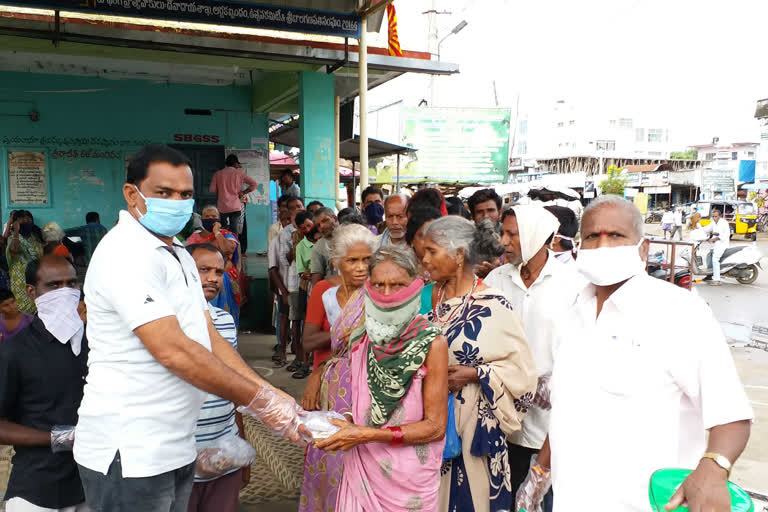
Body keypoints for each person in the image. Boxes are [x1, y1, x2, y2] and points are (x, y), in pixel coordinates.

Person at [75, 145, 305, 511]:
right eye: (163, 193)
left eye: (184, 195)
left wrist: (269, 393)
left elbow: (208, 336)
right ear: (132, 194)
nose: (177, 203)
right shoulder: (124, 253)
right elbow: (173, 349)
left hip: (177, 447)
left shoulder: (180, 253)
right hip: (130, 453)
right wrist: (258, 401)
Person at [518, 195, 753, 512]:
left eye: (616, 236)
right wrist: (540, 473)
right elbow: (568, 408)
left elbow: (731, 414)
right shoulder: (572, 316)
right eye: (592, 236)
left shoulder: (679, 313)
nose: (603, 246)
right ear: (579, 249)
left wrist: (714, 467)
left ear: (642, 249)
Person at [316, 245, 449, 511]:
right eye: (379, 285)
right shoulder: (360, 339)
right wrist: (343, 424)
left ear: (415, 286)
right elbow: (364, 408)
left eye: (397, 285)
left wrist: (366, 434)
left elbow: (435, 427)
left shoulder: (432, 343)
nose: (387, 295)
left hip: (409, 481)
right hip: (363, 468)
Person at [420, 216, 537, 512]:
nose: (424, 259)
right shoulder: (430, 297)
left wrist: (475, 374)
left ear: (458, 255)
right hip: (429, 428)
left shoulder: (494, 305)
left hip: (475, 434)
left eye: (432, 251)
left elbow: (523, 376)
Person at [484, 206, 586, 511]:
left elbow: (585, 344)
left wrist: (558, 379)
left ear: (538, 237)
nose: (504, 241)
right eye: (503, 233)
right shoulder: (496, 279)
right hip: (504, 413)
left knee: (543, 499)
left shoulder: (574, 284)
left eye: (512, 234)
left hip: (550, 418)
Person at [0, 255, 88, 512]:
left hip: (89, 485)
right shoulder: (15, 352)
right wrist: (63, 437)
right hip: (37, 489)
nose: (65, 293)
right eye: (53, 285)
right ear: (31, 291)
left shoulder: (95, 344)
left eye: (72, 284)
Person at [298, 224, 376, 512]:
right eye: (352, 260)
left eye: (366, 260)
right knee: (330, 455)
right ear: (336, 262)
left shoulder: (382, 294)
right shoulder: (325, 293)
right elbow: (308, 342)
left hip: (369, 387)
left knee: (365, 454)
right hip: (331, 388)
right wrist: (346, 334)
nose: (361, 267)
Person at [187, 244, 249, 512]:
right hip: (179, 457)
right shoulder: (161, 324)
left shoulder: (224, 320)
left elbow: (232, 385)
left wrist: (241, 443)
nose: (213, 277)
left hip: (223, 451)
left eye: (219, 271)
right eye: (203, 270)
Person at [272, 196, 305, 366]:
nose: (298, 209)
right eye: (294, 207)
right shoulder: (286, 233)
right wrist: (298, 239)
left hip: (307, 281)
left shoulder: (309, 227)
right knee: (290, 317)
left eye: (300, 206)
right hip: (291, 281)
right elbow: (286, 260)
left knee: (303, 319)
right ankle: (284, 351)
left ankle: (301, 355)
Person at [287, 210, 314, 379]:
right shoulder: (301, 246)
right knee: (307, 325)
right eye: (303, 228)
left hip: (326, 288)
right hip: (307, 288)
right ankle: (305, 363)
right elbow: (301, 272)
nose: (307, 229)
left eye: (309, 225)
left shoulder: (326, 241)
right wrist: (308, 273)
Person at [209, 154, 258, 233]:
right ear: (235, 163)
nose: (238, 166)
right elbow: (254, 184)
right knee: (234, 229)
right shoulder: (240, 174)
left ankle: (224, 244)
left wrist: (222, 189)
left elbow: (212, 190)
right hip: (235, 206)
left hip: (222, 207)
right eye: (238, 164)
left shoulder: (218, 174)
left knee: (223, 229)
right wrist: (243, 192)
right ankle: (235, 244)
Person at [6, 211, 43, 314]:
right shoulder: (13, 238)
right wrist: (16, 231)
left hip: (36, 277)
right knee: (23, 309)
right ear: (16, 223)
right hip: (20, 280)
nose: (26, 222)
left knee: (38, 308)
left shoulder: (35, 238)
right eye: (23, 220)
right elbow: (14, 250)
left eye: (28, 219)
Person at [405, 207, 442, 301]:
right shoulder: (401, 266)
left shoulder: (449, 266)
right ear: (412, 239)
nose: (429, 241)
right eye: (422, 236)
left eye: (434, 235)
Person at [467, 189, 504, 278]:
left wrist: (498, 271)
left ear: (499, 213)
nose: (486, 216)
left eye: (490, 210)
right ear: (473, 216)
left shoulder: (510, 235)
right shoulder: (466, 239)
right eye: (480, 212)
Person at [309, 207, 339, 285]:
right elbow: (316, 280)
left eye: (325, 221)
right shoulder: (318, 248)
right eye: (318, 225)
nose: (321, 226)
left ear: (335, 218)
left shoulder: (351, 235)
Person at [704, 208, 730, 286]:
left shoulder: (724, 223)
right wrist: (698, 230)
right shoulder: (713, 222)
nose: (714, 218)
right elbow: (707, 229)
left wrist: (715, 239)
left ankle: (717, 280)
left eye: (716, 216)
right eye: (713, 216)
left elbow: (725, 235)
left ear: (720, 216)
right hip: (715, 244)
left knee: (715, 259)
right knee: (709, 257)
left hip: (722, 244)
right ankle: (709, 275)